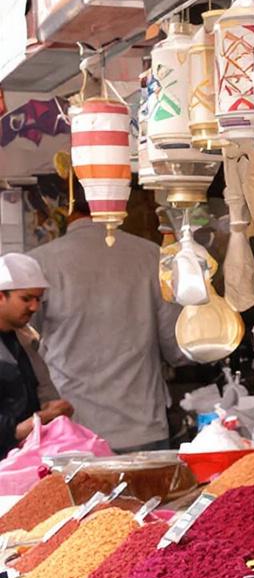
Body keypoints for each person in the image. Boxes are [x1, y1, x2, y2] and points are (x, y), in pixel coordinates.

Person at [29, 193, 181, 450]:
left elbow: (25, 349)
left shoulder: (39, 262)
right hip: (141, 427)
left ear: (66, 209)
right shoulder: (151, 256)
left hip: (70, 434)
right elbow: (177, 348)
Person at [0, 253, 70, 457]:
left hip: (25, 459)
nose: (34, 307)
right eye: (26, 298)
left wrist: (54, 410)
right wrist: (35, 421)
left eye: (38, 299)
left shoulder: (25, 339)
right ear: (1, 296)